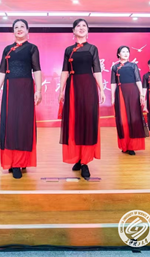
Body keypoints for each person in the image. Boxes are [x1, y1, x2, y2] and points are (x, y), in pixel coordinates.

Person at [0, 19, 42, 179]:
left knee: (24, 123)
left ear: (28, 30)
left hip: (26, 89)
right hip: (10, 89)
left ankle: (23, 160)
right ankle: (13, 162)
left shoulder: (32, 48)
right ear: (13, 31)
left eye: (22, 27)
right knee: (10, 123)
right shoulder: (7, 49)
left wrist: (39, 90)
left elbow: (37, 70)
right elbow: (2, 70)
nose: (19, 29)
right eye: (16, 27)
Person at [58, 19, 105, 180]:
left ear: (88, 30)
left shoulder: (92, 49)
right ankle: (77, 158)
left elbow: (97, 70)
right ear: (73, 31)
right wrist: (61, 90)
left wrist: (101, 89)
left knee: (87, 122)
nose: (81, 28)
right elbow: (65, 71)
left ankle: (85, 161)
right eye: (78, 26)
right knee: (74, 122)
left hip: (88, 88)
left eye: (84, 26)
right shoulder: (68, 50)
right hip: (73, 88)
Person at [111, 46, 148, 155]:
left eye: (127, 51)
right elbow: (113, 83)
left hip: (133, 93)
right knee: (123, 119)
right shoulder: (115, 67)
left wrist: (141, 95)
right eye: (123, 52)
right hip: (120, 93)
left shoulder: (133, 65)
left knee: (133, 117)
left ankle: (132, 146)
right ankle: (124, 145)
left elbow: (138, 80)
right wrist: (113, 97)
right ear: (118, 54)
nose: (126, 53)